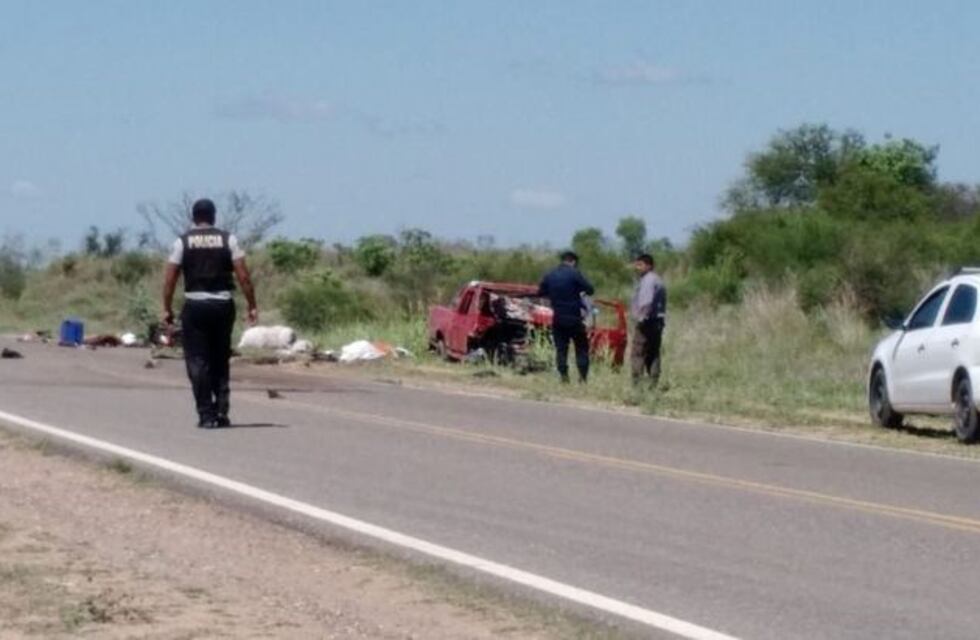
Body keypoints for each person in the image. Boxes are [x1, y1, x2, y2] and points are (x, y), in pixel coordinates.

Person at [162, 198, 258, 428]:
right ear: (213, 216)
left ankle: (206, 414)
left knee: (197, 360)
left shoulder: (182, 242)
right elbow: (244, 276)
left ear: (193, 217)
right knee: (220, 357)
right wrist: (252, 304)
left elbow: (170, 279)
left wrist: (167, 308)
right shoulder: (228, 239)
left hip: (195, 307)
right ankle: (222, 410)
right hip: (223, 306)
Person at [538, 251, 595, 383]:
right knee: (581, 348)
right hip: (574, 318)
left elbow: (541, 292)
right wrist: (578, 291)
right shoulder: (575, 274)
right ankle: (582, 378)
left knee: (561, 349)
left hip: (558, 317)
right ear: (573, 261)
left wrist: (554, 296)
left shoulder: (550, 274)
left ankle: (564, 377)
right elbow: (590, 290)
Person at [630, 253, 666, 386]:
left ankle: (637, 384)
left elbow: (646, 302)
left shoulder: (648, 280)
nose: (637, 268)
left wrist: (641, 319)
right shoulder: (657, 279)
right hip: (657, 322)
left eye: (640, 265)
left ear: (649, 266)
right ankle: (653, 383)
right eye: (636, 265)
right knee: (653, 352)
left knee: (638, 351)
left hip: (647, 321)